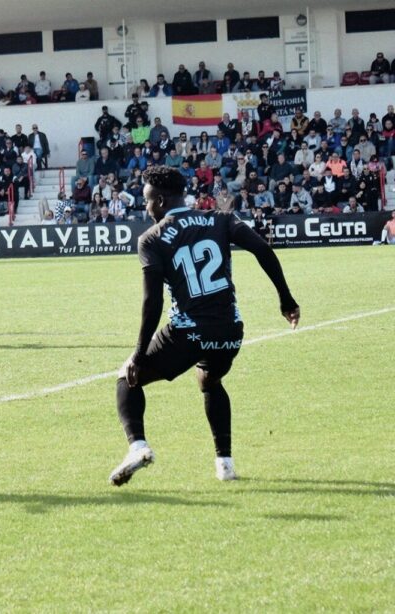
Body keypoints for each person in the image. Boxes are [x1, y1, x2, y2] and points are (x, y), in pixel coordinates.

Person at [108, 166, 300, 487]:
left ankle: (137, 447)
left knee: (127, 378)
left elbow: (151, 302)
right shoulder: (221, 219)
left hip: (186, 330)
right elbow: (262, 249)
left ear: (162, 200)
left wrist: (139, 354)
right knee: (209, 381)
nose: (146, 207)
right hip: (229, 330)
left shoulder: (151, 239)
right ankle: (225, 464)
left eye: (148, 200)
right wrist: (286, 300)